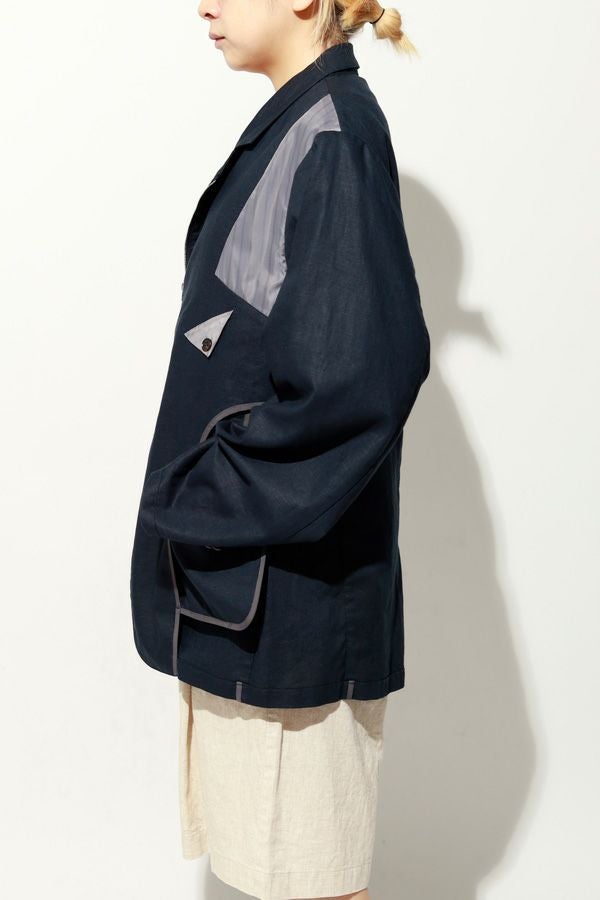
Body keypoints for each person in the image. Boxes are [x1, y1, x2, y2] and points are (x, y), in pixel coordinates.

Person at [129, 1, 430, 897]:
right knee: (277, 874)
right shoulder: (298, 127)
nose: (204, 5)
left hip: (291, 605)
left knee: (313, 879)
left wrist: (201, 494)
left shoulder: (332, 137)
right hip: (251, 595)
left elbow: (357, 385)